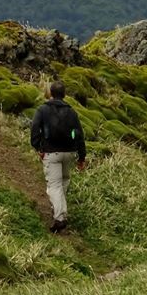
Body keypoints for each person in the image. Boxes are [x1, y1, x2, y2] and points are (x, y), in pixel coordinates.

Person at [30, 79, 86, 232]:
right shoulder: (72, 112)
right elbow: (79, 135)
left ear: (51, 94)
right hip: (70, 153)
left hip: (51, 152)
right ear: (64, 94)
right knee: (64, 181)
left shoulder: (42, 110)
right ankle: (59, 210)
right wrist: (82, 157)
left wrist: (38, 147)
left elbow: (34, 129)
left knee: (54, 186)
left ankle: (60, 217)